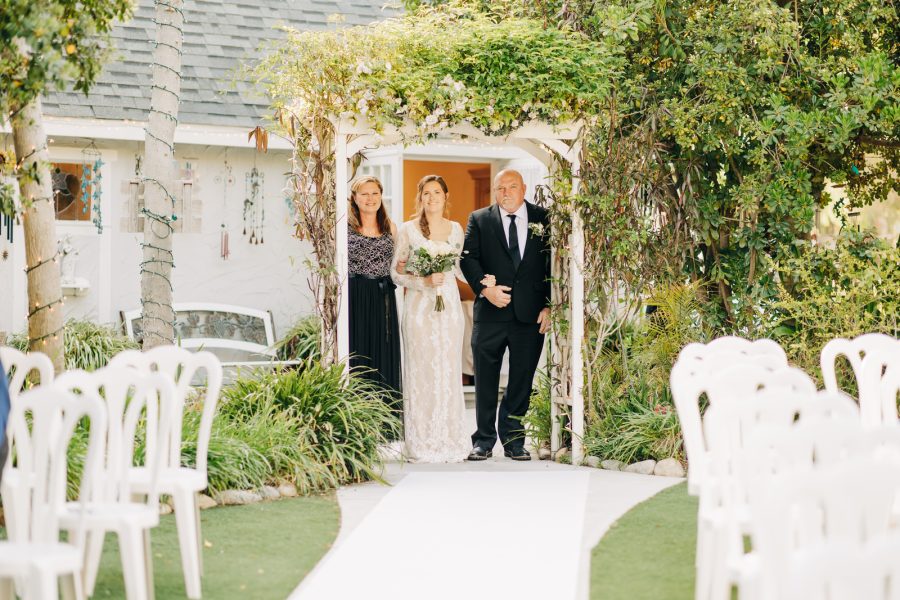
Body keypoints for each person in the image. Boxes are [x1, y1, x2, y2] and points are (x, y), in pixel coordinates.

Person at [460, 169, 551, 461]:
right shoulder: (480, 218)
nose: (506, 193)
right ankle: (483, 440)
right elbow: (468, 258)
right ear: (494, 192)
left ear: (524, 188)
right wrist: (485, 291)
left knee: (522, 379)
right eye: (501, 188)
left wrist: (550, 305)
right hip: (490, 312)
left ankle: (513, 439)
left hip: (530, 314)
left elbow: (554, 263)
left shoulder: (544, 218)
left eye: (512, 187)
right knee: (485, 378)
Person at [391, 175, 471, 462]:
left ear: (446, 196)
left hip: (448, 308)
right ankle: (422, 439)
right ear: (420, 197)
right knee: (421, 371)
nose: (432, 197)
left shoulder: (456, 229)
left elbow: (460, 269)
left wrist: (484, 280)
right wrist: (423, 281)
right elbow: (396, 273)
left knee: (447, 371)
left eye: (437, 192)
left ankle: (449, 438)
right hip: (419, 310)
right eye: (427, 193)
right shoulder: (408, 230)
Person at [348, 176, 402, 435]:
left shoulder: (390, 226)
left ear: (381, 197)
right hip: (356, 294)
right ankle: (357, 422)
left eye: (375, 193)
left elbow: (399, 264)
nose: (370, 199)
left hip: (382, 295)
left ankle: (385, 425)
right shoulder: (345, 226)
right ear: (355, 198)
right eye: (364, 194)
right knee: (358, 352)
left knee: (383, 351)